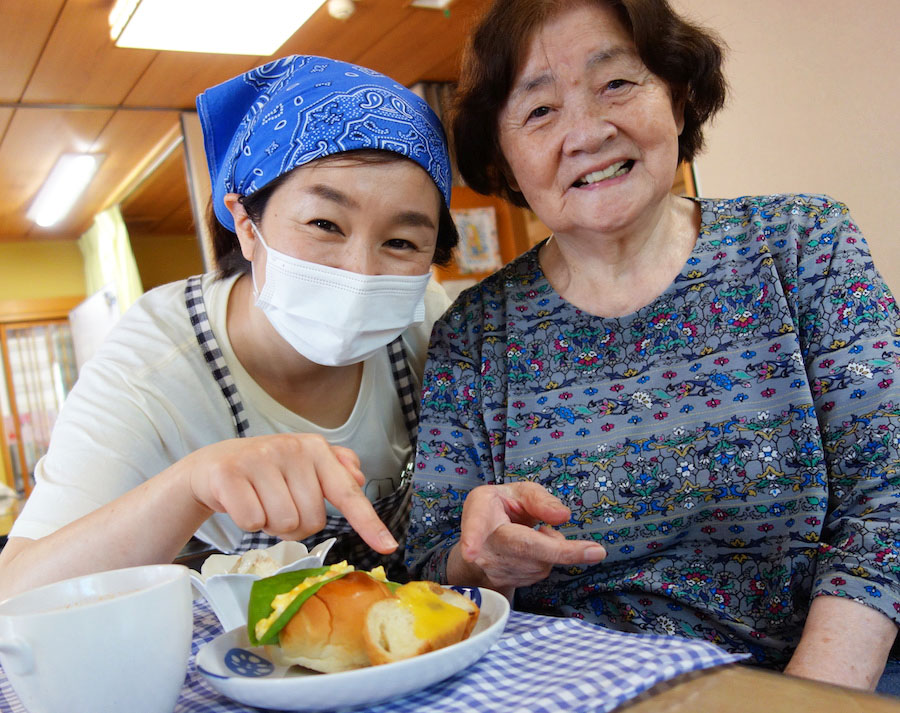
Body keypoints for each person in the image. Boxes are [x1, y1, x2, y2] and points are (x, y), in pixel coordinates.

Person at [406, 0, 900, 694]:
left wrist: (802, 702)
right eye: (540, 111)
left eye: (616, 83)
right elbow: (428, 562)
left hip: (817, 679)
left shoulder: (804, 245)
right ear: (506, 159)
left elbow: (888, 500)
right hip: (570, 692)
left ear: (679, 95)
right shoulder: (474, 332)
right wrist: (479, 559)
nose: (585, 132)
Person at [0, 54, 458, 600]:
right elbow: (16, 592)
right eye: (324, 224)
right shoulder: (154, 366)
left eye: (401, 242)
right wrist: (191, 484)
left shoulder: (427, 324)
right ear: (246, 223)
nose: (359, 273)